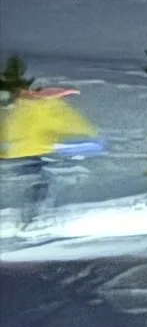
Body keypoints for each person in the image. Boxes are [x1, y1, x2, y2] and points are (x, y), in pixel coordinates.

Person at [2, 80, 103, 226]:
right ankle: (35, 217)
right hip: (33, 152)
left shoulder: (24, 107)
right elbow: (70, 124)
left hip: (28, 152)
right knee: (45, 182)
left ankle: (34, 216)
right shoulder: (43, 107)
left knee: (41, 182)